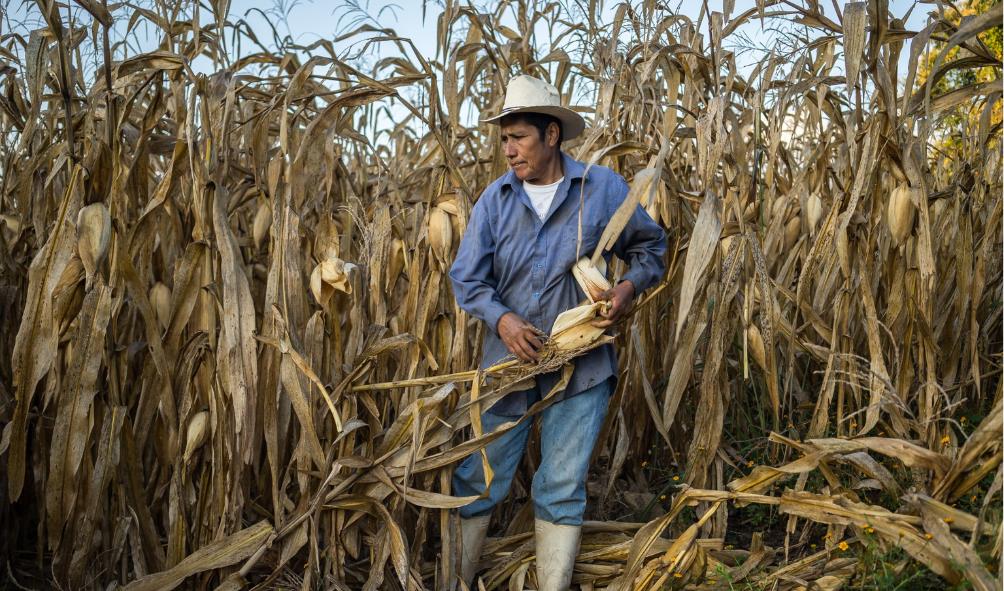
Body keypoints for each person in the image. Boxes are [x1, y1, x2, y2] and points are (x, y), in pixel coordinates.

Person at [448, 74, 666, 590]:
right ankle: (455, 581)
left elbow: (650, 248)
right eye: (503, 139)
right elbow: (466, 277)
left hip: (582, 365)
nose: (508, 150)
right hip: (509, 362)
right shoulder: (495, 201)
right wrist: (502, 319)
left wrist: (626, 289)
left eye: (518, 137)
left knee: (563, 484)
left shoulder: (603, 188)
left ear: (551, 135)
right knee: (479, 480)